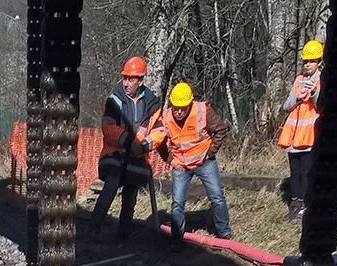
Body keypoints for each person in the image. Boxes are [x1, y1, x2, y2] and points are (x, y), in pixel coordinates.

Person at [145, 82, 231, 251]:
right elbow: (160, 142)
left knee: (217, 197)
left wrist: (210, 152)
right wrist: (170, 160)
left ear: (190, 104)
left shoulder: (202, 111)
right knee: (177, 203)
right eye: (175, 107)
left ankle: (224, 233)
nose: (178, 112)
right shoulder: (165, 117)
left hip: (204, 162)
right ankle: (177, 238)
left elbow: (221, 129)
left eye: (182, 108)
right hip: (181, 166)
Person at [87, 56, 160, 244]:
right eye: (125, 78)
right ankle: (94, 230)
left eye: (131, 79)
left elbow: (159, 130)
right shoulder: (114, 101)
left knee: (130, 197)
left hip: (137, 157)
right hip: (115, 155)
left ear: (141, 81)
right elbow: (108, 127)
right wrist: (129, 141)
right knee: (110, 186)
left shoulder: (152, 104)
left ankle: (123, 237)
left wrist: (144, 145)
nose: (126, 83)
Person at [278, 40, 322, 222]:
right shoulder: (298, 80)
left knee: (306, 173)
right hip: (293, 138)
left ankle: (304, 206)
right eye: (305, 61)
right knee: (294, 173)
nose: (307, 65)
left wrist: (314, 94)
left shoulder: (323, 80)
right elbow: (286, 106)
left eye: (311, 61)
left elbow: (324, 106)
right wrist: (298, 97)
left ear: (319, 61)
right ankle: (295, 205)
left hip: (310, 137)